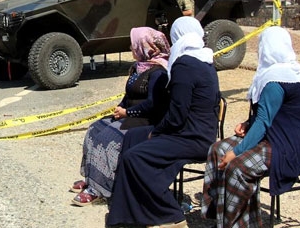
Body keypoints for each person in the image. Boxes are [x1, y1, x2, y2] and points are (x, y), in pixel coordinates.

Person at [106, 16, 220, 228]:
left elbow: (177, 114)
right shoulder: (202, 59)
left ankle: (170, 216)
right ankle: (129, 212)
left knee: (135, 157)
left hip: (192, 136)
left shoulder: (185, 65)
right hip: (193, 131)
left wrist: (157, 132)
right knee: (132, 137)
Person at [201, 26, 300, 228]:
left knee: (237, 167)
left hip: (285, 146)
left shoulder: (278, 79)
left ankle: (235, 223)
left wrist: (236, 152)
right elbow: (267, 116)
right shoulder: (275, 74)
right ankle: (221, 216)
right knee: (217, 150)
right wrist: (247, 124)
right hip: (271, 136)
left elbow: (264, 121)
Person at [71, 27, 171, 206]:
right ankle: (92, 179)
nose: (131, 48)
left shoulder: (159, 72)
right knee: (95, 129)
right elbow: (128, 95)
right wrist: (121, 107)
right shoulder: (138, 68)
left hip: (146, 119)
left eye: (134, 45)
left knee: (108, 138)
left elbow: (153, 104)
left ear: (145, 46)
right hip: (129, 115)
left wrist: (128, 112)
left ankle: (101, 188)